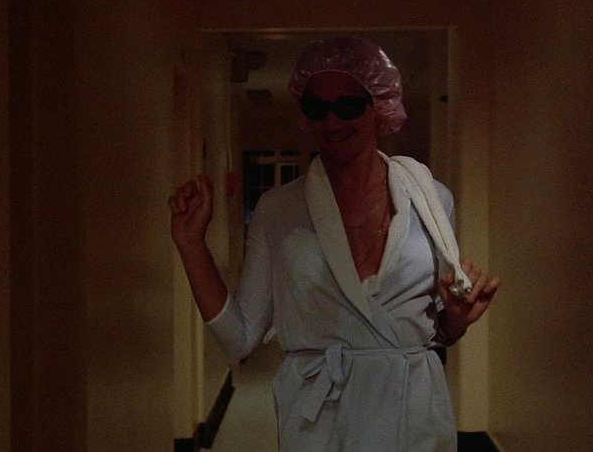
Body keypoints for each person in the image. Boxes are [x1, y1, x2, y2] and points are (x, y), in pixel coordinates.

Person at [168, 36, 500, 451]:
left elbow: (438, 331)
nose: (331, 122)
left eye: (347, 106)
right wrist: (191, 244)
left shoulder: (431, 201)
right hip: (321, 421)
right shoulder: (278, 210)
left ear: (379, 105)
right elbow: (240, 337)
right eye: (316, 108)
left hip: (411, 416)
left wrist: (457, 319)